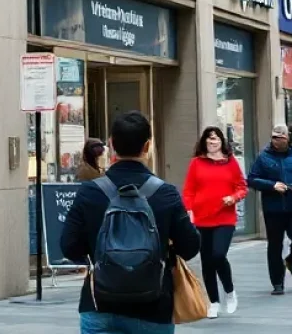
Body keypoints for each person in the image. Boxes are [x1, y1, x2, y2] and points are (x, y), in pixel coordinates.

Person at [61, 110, 200, 334]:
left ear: (111, 144)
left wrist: (97, 255)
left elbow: (68, 246)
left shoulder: (89, 192)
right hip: (154, 306)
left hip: (98, 305)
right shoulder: (166, 194)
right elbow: (191, 247)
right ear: (147, 147)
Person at [182, 126, 247, 318]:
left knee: (218, 255)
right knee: (207, 261)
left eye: (216, 139)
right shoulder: (196, 163)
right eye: (209, 139)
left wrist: (233, 198)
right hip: (202, 218)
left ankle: (230, 291)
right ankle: (213, 302)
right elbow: (189, 190)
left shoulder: (231, 162)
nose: (212, 142)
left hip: (225, 217)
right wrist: (189, 211)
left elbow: (242, 187)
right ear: (204, 142)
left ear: (222, 142)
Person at [247, 123, 292, 295]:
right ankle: (277, 283)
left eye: (280, 138)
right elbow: (252, 179)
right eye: (274, 138)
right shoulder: (263, 157)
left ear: (287, 139)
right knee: (275, 246)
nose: (277, 141)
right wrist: (272, 185)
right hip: (273, 209)